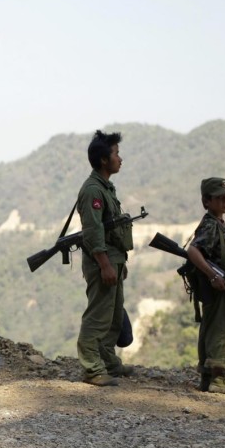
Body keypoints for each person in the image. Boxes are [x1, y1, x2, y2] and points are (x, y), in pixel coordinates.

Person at [76, 130, 134, 386]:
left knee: (113, 315)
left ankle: (107, 360)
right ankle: (92, 368)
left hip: (113, 260)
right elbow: (93, 232)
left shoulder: (105, 188)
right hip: (102, 262)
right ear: (103, 160)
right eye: (116, 154)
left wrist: (119, 263)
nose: (120, 159)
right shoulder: (92, 191)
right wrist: (105, 264)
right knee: (98, 316)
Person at [186, 177, 225, 396]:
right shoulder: (211, 225)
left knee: (211, 327)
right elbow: (193, 251)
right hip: (217, 286)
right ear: (206, 201)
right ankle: (219, 379)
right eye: (219, 198)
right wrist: (213, 276)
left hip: (220, 284)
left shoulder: (216, 223)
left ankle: (206, 377)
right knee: (222, 329)